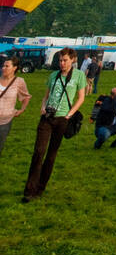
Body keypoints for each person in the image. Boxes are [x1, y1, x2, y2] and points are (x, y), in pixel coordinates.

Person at [22, 48, 87, 202]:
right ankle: (29, 190)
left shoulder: (79, 75)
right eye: (60, 60)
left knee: (51, 155)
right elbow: (46, 96)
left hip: (63, 119)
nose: (62, 63)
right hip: (47, 117)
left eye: (65, 60)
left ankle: (40, 188)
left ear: (73, 60)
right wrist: (43, 107)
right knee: (38, 152)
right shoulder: (53, 75)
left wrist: (69, 115)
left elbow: (81, 98)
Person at [0, 55, 31, 155]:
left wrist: (22, 109)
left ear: (15, 68)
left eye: (7, 66)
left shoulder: (19, 82)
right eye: (3, 66)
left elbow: (26, 96)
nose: (3, 68)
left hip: (5, 122)